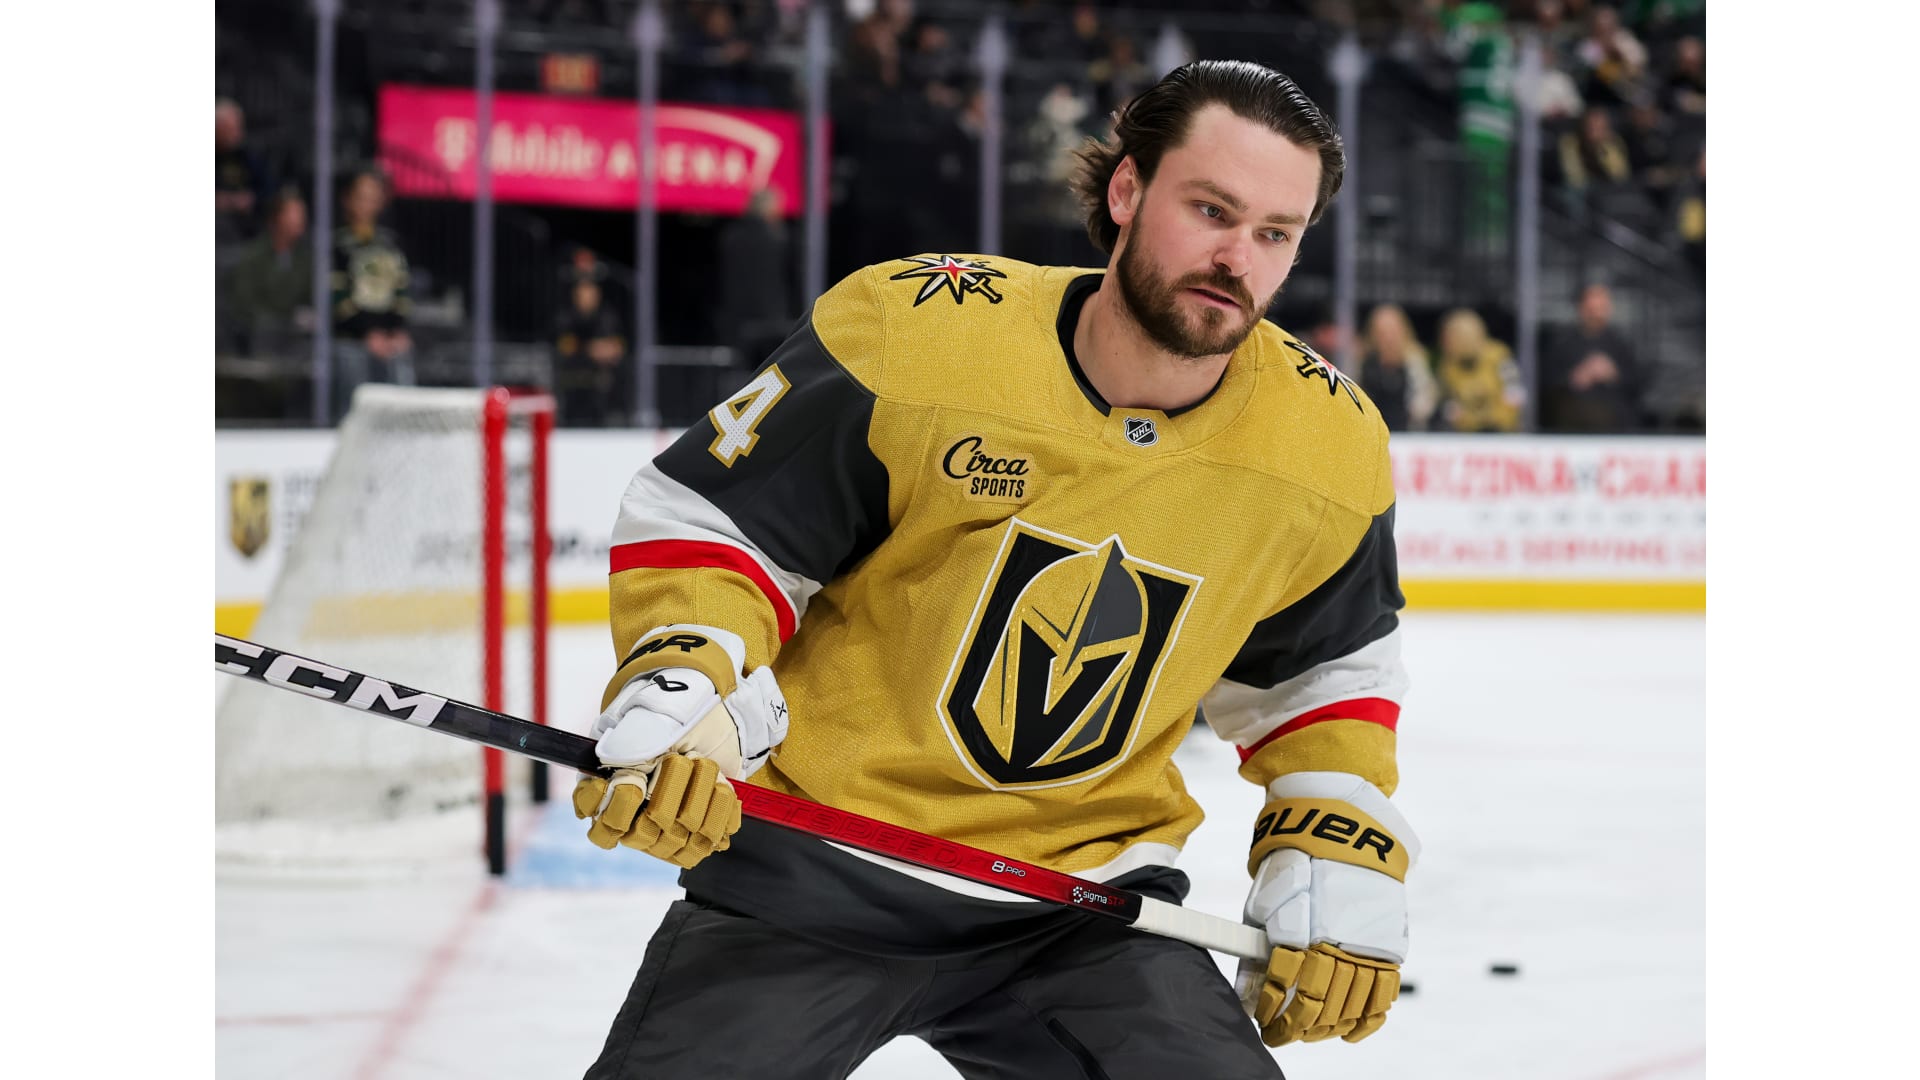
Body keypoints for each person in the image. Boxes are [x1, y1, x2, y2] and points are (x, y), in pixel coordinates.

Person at [572, 60, 1418, 1079]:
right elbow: (726, 524)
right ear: (1128, 189)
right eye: (1211, 211)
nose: (1237, 258)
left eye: (1276, 233)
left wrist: (1331, 837)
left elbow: (1322, 673)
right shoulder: (919, 332)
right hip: (814, 866)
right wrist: (690, 667)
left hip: (1082, 911)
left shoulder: (1326, 444)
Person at [330, 169, 414, 416]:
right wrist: (367, 333)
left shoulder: (391, 243)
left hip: (387, 337)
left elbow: (401, 292)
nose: (367, 204)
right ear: (347, 199)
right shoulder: (337, 245)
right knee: (350, 361)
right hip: (352, 337)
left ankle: (401, 427)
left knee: (402, 358)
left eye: (373, 197)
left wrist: (396, 330)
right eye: (361, 197)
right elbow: (337, 298)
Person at [1541, 282, 1644, 432]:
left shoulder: (1620, 344)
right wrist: (1576, 377)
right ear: (1581, 308)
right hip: (1572, 425)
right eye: (1592, 309)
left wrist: (1613, 374)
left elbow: (1637, 386)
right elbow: (1546, 384)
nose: (1596, 314)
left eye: (1601, 308)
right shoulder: (1563, 343)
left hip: (1616, 427)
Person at [228, 187, 315, 356]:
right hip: (259, 337)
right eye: (294, 214)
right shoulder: (253, 256)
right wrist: (284, 321)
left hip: (298, 338)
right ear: (277, 217)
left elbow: (310, 297)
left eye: (302, 214)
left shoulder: (306, 258)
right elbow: (244, 305)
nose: (300, 219)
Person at [1433, 307, 1525, 432]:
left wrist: (1497, 419)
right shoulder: (1447, 367)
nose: (1448, 344)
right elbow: (1448, 406)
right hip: (1465, 435)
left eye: (1456, 337)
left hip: (1502, 432)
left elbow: (1515, 394)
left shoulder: (1498, 357)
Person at [553, 276, 630, 426]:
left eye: (591, 294)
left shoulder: (607, 317)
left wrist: (607, 349)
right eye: (583, 295)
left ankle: (617, 416)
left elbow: (619, 345)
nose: (587, 299)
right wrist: (590, 349)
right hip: (573, 375)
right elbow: (564, 346)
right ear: (575, 296)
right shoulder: (566, 317)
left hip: (602, 377)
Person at [1352, 303, 1437, 432]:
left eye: (1392, 331)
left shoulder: (1415, 361)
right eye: (1382, 333)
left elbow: (1426, 396)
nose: (1388, 338)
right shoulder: (1362, 362)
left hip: (1409, 431)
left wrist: (1416, 416)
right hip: (1371, 429)